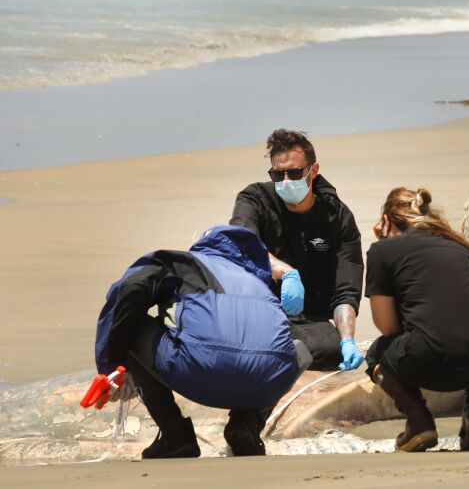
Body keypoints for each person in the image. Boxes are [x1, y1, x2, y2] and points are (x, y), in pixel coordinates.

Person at [93, 225, 302, 458]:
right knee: (296, 349)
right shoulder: (257, 282)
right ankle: (246, 426)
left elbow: (130, 288)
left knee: (131, 322)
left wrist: (110, 365)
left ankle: (175, 435)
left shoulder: (184, 262)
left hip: (201, 371)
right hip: (270, 384)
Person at [364, 187, 469, 452]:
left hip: (433, 361)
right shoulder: (461, 247)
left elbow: (387, 326)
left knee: (376, 353)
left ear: (387, 221)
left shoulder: (382, 251)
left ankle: (418, 421)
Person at [230, 129, 365, 371]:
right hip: (258, 310)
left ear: (313, 170)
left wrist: (347, 339)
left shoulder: (337, 217)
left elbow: (346, 290)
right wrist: (285, 272)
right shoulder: (255, 199)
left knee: (332, 349)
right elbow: (242, 243)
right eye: (277, 174)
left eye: (294, 172)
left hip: (309, 319)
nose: (285, 181)